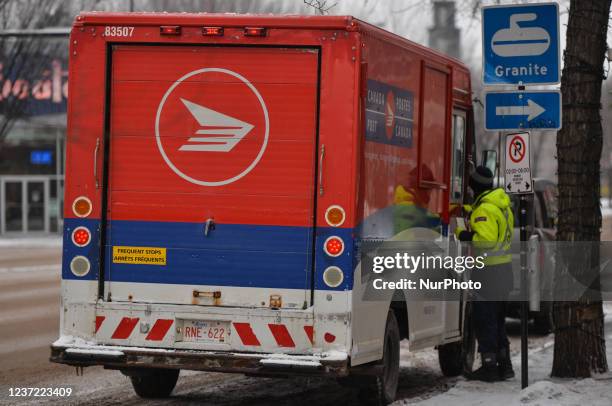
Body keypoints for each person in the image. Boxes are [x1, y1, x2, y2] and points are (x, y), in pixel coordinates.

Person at [455, 166, 515, 382]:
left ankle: (489, 368)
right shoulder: (500, 205)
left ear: (476, 186)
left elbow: (486, 241)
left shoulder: (484, 210)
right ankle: (504, 365)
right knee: (498, 321)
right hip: (504, 271)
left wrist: (464, 234)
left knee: (485, 320)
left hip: (488, 272)